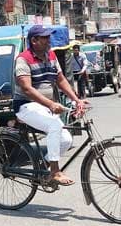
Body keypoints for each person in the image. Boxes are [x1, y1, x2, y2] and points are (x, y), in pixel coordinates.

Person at [13, 25, 87, 186]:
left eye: (48, 37)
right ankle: (54, 171)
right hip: (26, 107)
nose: (49, 41)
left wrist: (76, 100)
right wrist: (51, 104)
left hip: (44, 107)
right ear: (34, 40)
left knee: (66, 139)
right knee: (55, 125)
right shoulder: (23, 59)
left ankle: (43, 168)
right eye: (45, 38)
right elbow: (27, 89)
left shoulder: (51, 56)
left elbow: (60, 80)